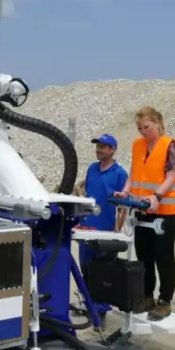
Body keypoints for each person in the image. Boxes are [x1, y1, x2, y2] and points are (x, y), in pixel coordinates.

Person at [114, 106, 175, 321]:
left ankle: (165, 301)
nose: (143, 132)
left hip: (164, 212)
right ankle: (147, 296)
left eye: (147, 127)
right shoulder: (138, 146)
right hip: (141, 208)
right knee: (144, 257)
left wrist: (157, 196)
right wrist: (125, 191)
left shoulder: (168, 146)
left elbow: (171, 175)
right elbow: (135, 172)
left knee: (163, 257)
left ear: (158, 122)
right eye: (140, 128)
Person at [77, 134, 129, 319]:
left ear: (112, 150)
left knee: (104, 270)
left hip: (106, 229)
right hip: (87, 227)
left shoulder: (120, 174)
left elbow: (123, 205)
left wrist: (117, 230)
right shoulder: (92, 169)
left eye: (102, 147)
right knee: (85, 266)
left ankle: (100, 310)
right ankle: (89, 302)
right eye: (97, 146)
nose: (98, 149)